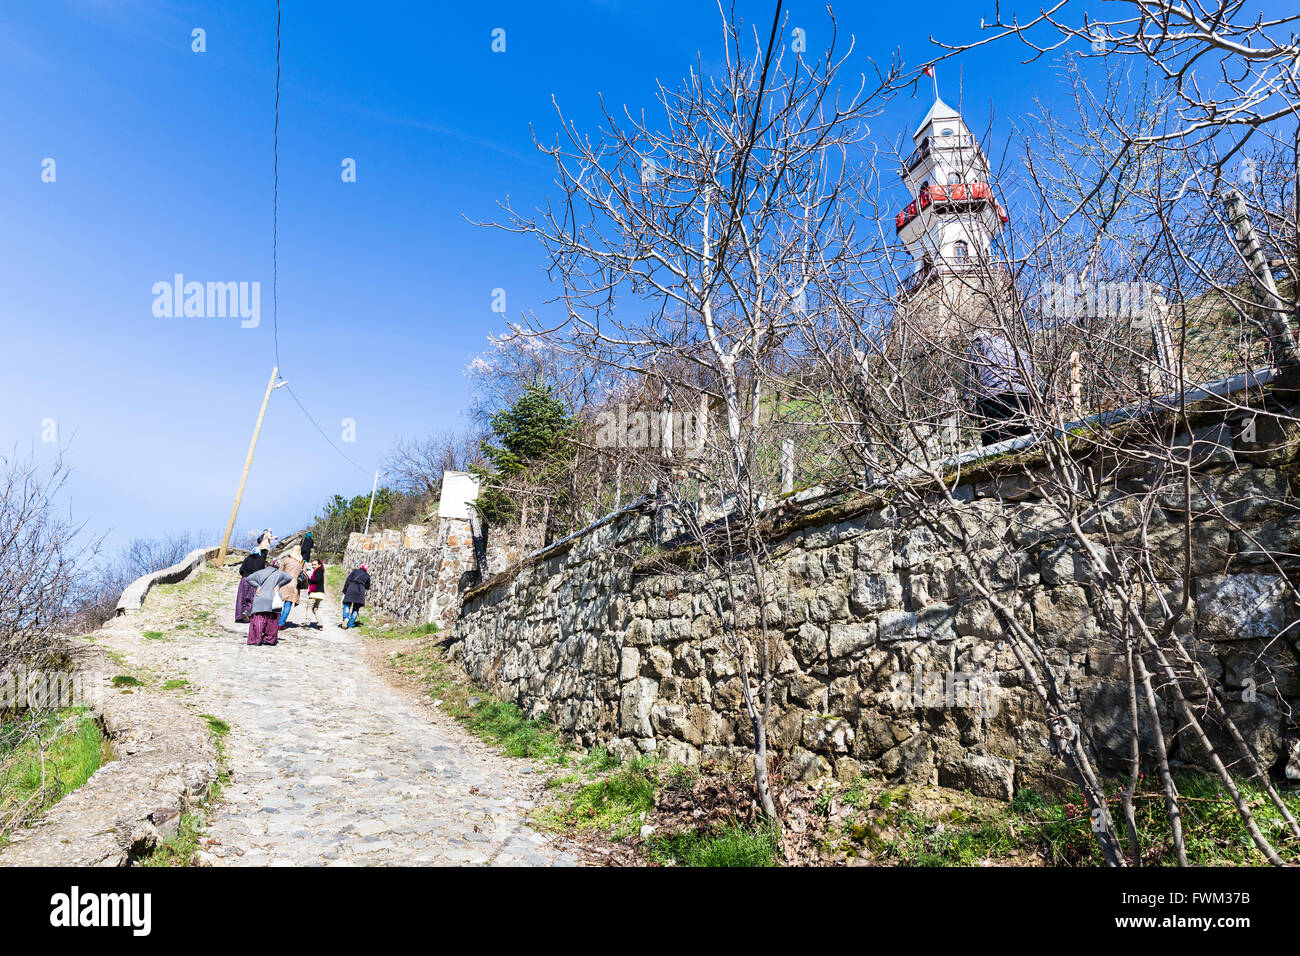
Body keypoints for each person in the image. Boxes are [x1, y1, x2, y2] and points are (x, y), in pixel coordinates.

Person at [967, 330, 1036, 446]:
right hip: (1021, 395)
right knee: (1023, 438)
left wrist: (969, 402)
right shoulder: (1012, 347)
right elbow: (1029, 371)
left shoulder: (977, 345)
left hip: (992, 397)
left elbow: (971, 374)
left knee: (994, 441)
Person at [245, 562, 292, 646]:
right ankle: (269, 639)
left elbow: (248, 579)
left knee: (258, 618)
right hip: (273, 598)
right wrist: (279, 585)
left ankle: (257, 639)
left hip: (260, 598)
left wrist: (257, 586)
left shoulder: (259, 572)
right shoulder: (279, 573)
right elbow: (289, 577)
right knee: (272, 620)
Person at [278, 546, 304, 628]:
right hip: (294, 585)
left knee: (278, 603)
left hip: (284, 583)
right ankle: (281, 623)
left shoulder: (287, 560)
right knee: (288, 605)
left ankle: (275, 621)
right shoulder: (301, 562)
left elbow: (280, 571)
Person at [341, 563, 370, 629]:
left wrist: (344, 591)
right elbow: (367, 587)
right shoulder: (367, 576)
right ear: (366, 569)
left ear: (360, 567)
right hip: (360, 591)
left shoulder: (354, 571)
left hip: (351, 588)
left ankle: (346, 618)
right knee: (356, 608)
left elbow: (348, 580)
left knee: (347, 604)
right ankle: (350, 624)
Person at [305, 559, 326, 628]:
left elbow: (316, 580)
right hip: (320, 594)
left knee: (309, 607)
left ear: (319, 565)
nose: (313, 566)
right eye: (312, 565)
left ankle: (307, 623)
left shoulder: (318, 571)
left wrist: (309, 580)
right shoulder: (321, 571)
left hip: (314, 592)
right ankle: (320, 623)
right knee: (315, 608)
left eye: (315, 564)